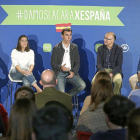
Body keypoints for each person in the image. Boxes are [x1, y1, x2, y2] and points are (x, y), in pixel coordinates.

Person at [51, 28, 86, 97]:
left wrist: (73, 72)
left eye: (70, 35)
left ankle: (67, 97)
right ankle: (64, 98)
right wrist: (61, 67)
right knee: (61, 94)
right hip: (60, 73)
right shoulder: (56, 47)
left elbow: (77, 62)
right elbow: (53, 63)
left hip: (71, 72)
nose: (69, 37)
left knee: (82, 85)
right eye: (66, 35)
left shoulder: (74, 47)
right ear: (62, 36)